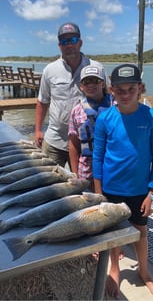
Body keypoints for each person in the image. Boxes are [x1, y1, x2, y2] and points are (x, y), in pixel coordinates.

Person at [92, 63, 153, 298]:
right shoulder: (106, 118)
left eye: (131, 89)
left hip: (139, 189)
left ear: (140, 88)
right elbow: (98, 156)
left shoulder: (149, 117)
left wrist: (150, 192)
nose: (125, 94)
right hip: (111, 188)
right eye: (120, 90)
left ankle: (144, 272)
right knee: (114, 232)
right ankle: (114, 270)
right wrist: (99, 193)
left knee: (140, 230)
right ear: (112, 90)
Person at [35, 22, 107, 166]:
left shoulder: (96, 68)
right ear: (59, 45)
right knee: (49, 184)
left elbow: (109, 100)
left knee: (84, 183)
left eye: (73, 40)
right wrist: (37, 130)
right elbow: (43, 101)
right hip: (55, 139)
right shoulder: (50, 70)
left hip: (87, 141)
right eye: (64, 41)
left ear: (80, 42)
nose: (69, 45)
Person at [68, 63, 112, 182]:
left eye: (95, 80)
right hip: (87, 170)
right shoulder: (76, 111)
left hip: (112, 168)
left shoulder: (116, 106)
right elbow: (73, 145)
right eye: (87, 82)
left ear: (103, 83)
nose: (91, 85)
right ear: (81, 86)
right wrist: (74, 174)